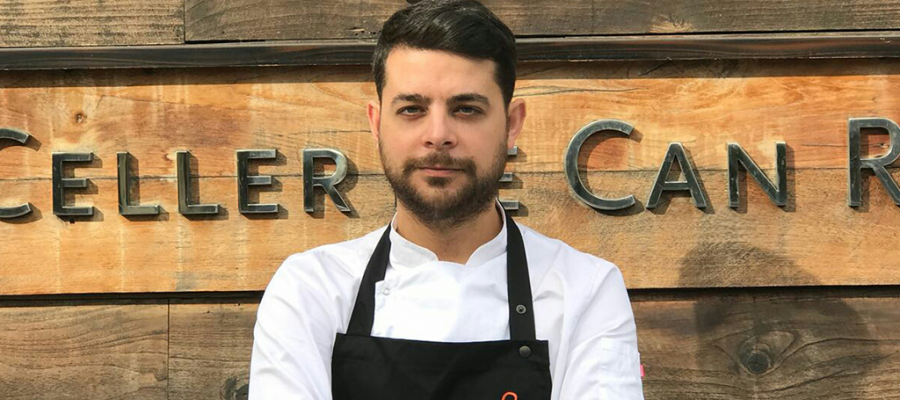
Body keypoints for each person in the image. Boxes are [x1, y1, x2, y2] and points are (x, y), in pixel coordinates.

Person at [248, 1, 644, 399]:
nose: (438, 134)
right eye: (412, 109)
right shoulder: (311, 290)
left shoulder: (585, 290)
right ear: (376, 122)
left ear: (512, 124)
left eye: (466, 109)